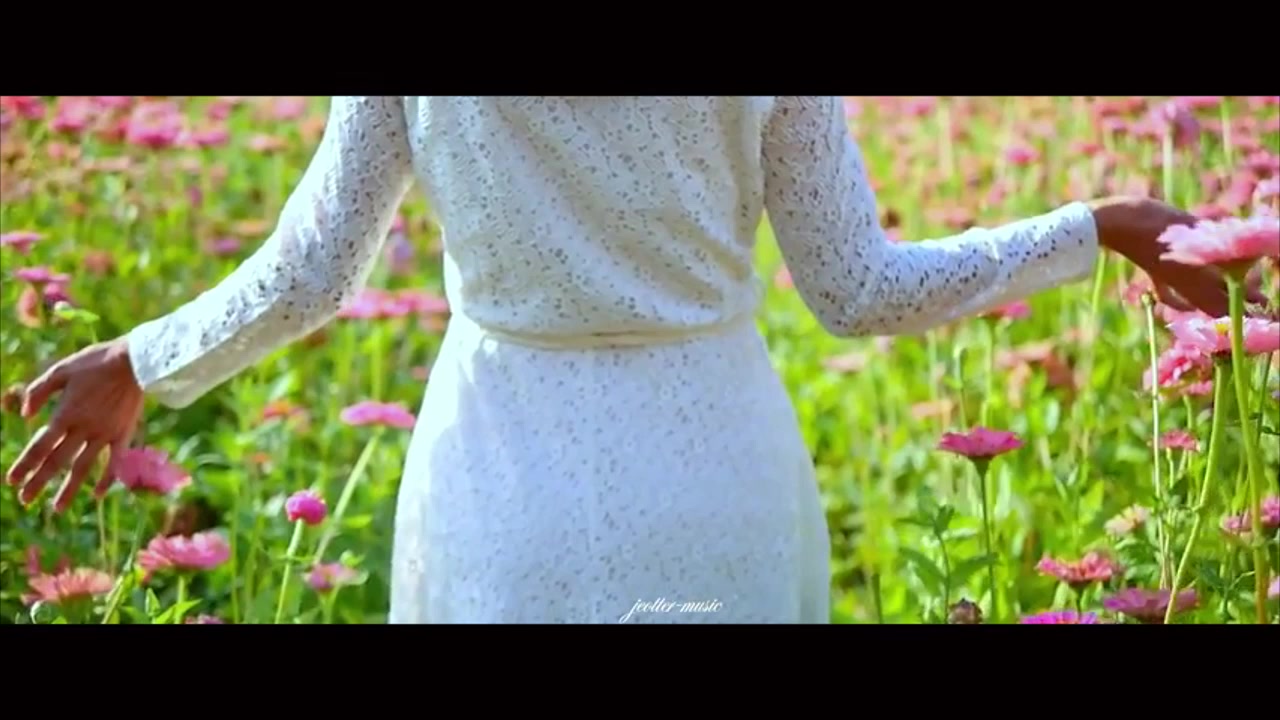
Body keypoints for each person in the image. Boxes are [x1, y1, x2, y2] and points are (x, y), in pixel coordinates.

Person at [4, 96, 1244, 624]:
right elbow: (858, 290)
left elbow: (313, 273)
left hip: (501, 475)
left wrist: (144, 361)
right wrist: (1093, 227)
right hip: (714, 472)